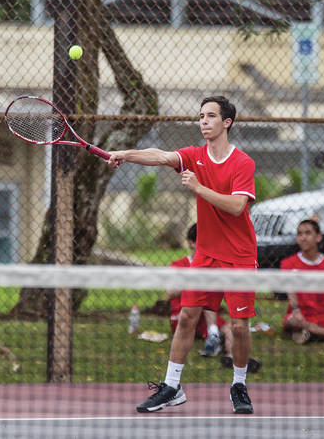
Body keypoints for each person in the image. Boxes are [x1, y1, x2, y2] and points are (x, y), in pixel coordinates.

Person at [107, 95, 258, 414]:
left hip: (239, 255)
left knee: (240, 326)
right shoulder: (192, 155)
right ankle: (172, 386)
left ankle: (239, 385)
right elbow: (159, 156)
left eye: (211, 116)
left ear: (226, 122)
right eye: (201, 116)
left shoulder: (242, 162)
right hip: (206, 254)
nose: (203, 121)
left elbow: (236, 206)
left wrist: (198, 188)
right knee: (188, 315)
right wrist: (125, 154)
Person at [168, 224, 262, 373]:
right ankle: (213, 336)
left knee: (230, 328)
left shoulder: (216, 266)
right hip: (183, 315)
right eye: (201, 241)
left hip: (207, 316)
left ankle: (231, 356)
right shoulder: (180, 265)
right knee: (200, 301)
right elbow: (170, 292)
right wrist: (196, 280)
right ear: (191, 243)